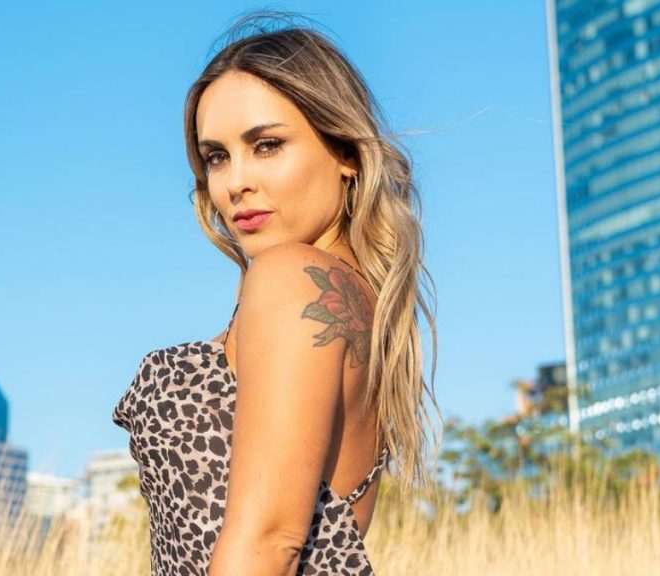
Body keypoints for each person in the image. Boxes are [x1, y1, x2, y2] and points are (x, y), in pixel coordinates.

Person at [113, 11, 439, 575]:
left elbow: (268, 541)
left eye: (266, 145)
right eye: (217, 157)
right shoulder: (356, 301)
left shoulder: (293, 279)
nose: (235, 182)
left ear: (345, 153)